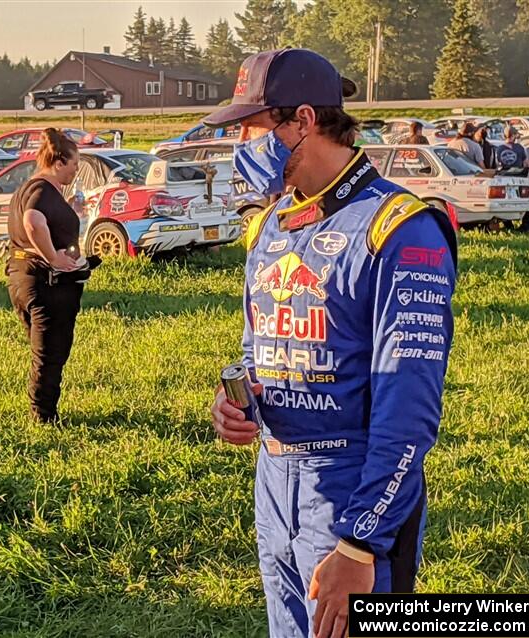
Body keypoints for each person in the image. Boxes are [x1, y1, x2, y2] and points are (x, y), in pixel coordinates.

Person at [204, 48, 456, 638]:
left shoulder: (399, 226)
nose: (241, 142)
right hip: (275, 480)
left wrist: (361, 543)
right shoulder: (270, 223)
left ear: (305, 121)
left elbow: (409, 404)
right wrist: (238, 399)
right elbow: (253, 343)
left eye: (254, 126)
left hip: (352, 487)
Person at [6, 128, 90, 423]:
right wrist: (53, 257)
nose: (75, 171)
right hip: (45, 282)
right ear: (58, 162)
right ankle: (43, 416)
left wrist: (71, 212)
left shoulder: (28, 188)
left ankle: (43, 408)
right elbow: (33, 222)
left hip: (21, 275)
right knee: (50, 352)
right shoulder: (43, 190)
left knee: (44, 349)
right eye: (74, 164)